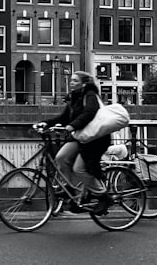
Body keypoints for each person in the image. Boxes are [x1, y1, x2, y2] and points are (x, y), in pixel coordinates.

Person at [36, 71, 112, 214]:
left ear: (84, 84)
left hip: (96, 139)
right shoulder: (74, 99)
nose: (71, 83)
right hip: (81, 137)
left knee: (79, 168)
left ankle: (103, 197)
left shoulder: (90, 95)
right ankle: (74, 190)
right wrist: (44, 123)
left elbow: (90, 112)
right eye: (71, 80)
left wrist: (73, 125)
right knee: (61, 157)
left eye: (75, 81)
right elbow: (64, 117)